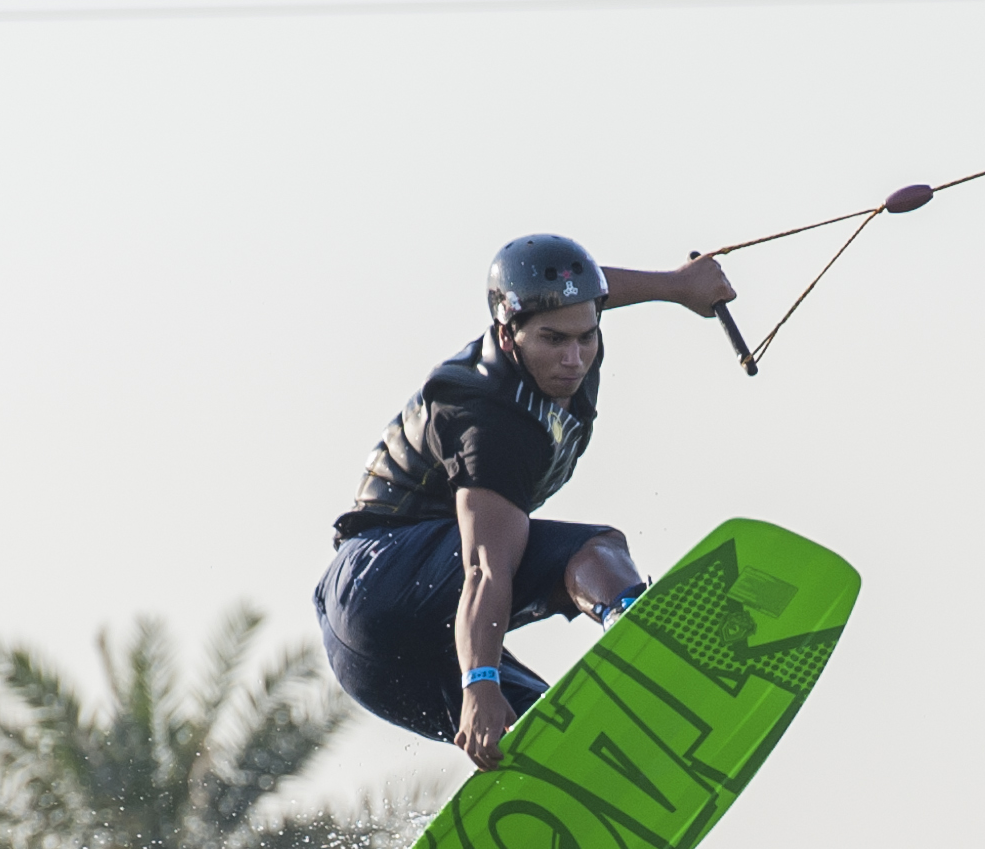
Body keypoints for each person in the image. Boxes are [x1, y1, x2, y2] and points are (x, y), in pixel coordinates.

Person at [316, 233, 739, 770]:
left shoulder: (566, 328)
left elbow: (587, 286)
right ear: (507, 332)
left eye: (587, 338)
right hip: (381, 584)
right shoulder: (487, 419)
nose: (573, 358)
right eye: (553, 340)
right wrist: (479, 682)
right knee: (593, 550)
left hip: (379, 660)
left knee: (549, 742)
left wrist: (677, 287)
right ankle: (644, 642)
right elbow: (486, 569)